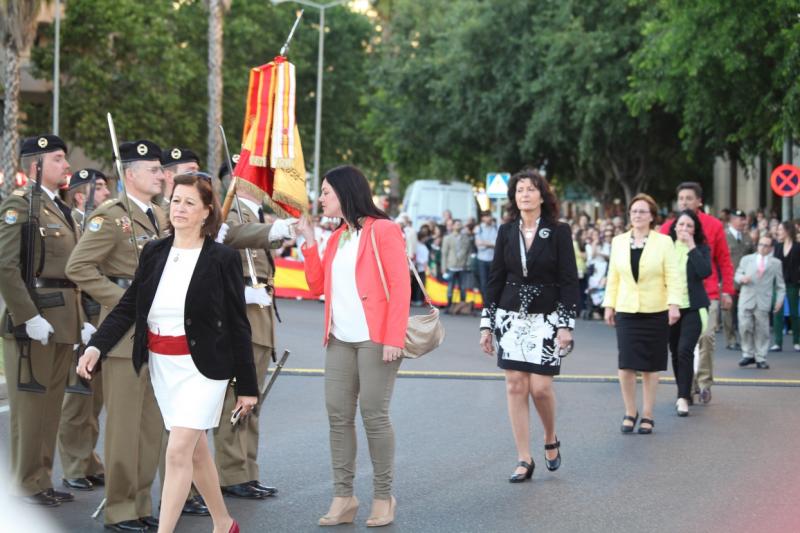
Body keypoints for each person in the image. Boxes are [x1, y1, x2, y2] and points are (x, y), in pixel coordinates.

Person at [77, 173, 257, 533]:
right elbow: (130, 306)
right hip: (163, 365)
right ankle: (223, 523)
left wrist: (248, 387)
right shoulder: (155, 251)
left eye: (190, 202)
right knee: (193, 451)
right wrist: (96, 344)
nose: (179, 208)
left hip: (204, 370)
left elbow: (239, 324)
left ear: (207, 212)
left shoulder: (221, 259)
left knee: (176, 453)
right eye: (176, 200)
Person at [66, 140, 182, 531]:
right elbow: (79, 267)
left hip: (160, 332)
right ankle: (119, 509)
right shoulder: (110, 216)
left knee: (151, 427)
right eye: (153, 169)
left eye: (161, 169)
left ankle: (140, 504)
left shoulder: (162, 216)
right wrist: (124, 302)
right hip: (125, 336)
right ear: (130, 174)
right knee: (124, 428)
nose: (161, 175)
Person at [297, 165, 410, 528]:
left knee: (374, 417)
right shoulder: (336, 238)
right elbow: (316, 286)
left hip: (376, 338)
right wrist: (310, 242)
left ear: (346, 193)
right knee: (337, 417)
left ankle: (383, 496)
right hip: (340, 338)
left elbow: (400, 286)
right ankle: (343, 497)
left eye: (327, 192)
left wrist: (394, 337)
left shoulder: (384, 230)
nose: (321, 199)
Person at [0, 135, 92, 507]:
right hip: (35, 321)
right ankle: (26, 483)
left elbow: (72, 274)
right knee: (31, 407)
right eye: (57, 158)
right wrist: (29, 316)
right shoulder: (20, 205)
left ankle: (41, 479)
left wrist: (82, 318)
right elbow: (6, 266)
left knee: (51, 406)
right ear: (35, 165)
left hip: (63, 319)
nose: (66, 165)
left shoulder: (61, 208)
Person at [478, 169, 578, 482]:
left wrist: (565, 325)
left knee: (541, 387)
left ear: (542, 195)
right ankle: (524, 457)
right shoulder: (506, 231)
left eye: (531, 189)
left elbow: (568, 280)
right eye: (520, 189)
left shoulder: (558, 231)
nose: (525, 194)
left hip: (548, 318)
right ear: (514, 197)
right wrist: (487, 324)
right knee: (515, 385)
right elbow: (495, 278)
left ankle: (550, 436)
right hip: (511, 317)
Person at [605, 193, 683, 434]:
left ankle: (648, 414)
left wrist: (674, 304)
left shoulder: (664, 242)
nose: (637, 215)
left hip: (655, 310)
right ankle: (630, 411)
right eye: (634, 211)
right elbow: (613, 277)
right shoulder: (618, 241)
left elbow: (673, 275)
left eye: (642, 211)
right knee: (626, 365)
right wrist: (609, 304)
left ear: (652, 217)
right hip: (627, 309)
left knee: (651, 366)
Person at [58, 168, 111, 492]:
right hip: (82, 319)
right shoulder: (75, 224)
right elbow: (74, 276)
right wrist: (83, 321)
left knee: (95, 399)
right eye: (100, 188)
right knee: (78, 399)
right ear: (82, 194)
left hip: (100, 320)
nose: (106, 193)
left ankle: (89, 460)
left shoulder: (99, 223)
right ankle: (74, 465)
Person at [659, 182, 734, 405]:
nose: (684, 202)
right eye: (681, 198)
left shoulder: (713, 225)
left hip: (706, 293)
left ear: (699, 201)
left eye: (689, 198)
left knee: (706, 337)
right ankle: (686, 387)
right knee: (679, 348)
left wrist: (728, 291)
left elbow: (724, 261)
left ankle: (704, 383)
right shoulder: (668, 227)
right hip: (674, 298)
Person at [668, 210, 712, 417]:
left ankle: (682, 397)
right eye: (681, 225)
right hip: (670, 307)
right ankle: (683, 391)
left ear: (695, 230)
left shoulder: (701, 248)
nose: (684, 229)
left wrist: (691, 246)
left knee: (685, 350)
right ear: (674, 227)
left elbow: (705, 272)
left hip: (694, 307)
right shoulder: (665, 247)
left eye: (689, 226)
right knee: (675, 352)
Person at [737, 237, 785, 369]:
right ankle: (748, 354)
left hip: (763, 300)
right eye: (760, 244)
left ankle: (761, 357)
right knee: (744, 326)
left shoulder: (776, 263)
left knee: (762, 330)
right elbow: (737, 274)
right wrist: (742, 278)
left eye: (766, 245)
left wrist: (779, 301)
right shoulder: (746, 259)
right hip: (746, 298)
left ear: (770, 248)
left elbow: (780, 285)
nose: (762, 247)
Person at [723, 209, 755, 350]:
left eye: (744, 219)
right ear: (732, 220)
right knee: (728, 311)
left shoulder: (747, 237)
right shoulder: (724, 236)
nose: (744, 222)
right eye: (741, 219)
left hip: (744, 280)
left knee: (744, 311)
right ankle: (731, 339)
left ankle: (745, 339)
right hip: (728, 279)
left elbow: (753, 257)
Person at [770, 221, 800, 352]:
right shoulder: (777, 246)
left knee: (794, 312)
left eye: (781, 229)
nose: (778, 232)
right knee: (777, 312)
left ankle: (797, 341)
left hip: (793, 283)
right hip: (778, 283)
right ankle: (777, 342)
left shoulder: (798, 247)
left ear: (788, 231)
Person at [441, 219, 472, 311]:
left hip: (462, 266)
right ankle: (449, 305)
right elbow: (444, 254)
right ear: (453, 226)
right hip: (451, 266)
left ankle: (462, 305)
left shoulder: (466, 238)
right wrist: (443, 267)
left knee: (463, 287)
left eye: (460, 224)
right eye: (457, 224)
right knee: (450, 286)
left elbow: (469, 252)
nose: (459, 225)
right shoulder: (447, 238)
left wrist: (468, 263)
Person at [474, 212, 498, 305]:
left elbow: (498, 243)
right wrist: (491, 243)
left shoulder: (497, 227)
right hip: (482, 259)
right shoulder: (478, 228)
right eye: (486, 216)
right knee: (483, 283)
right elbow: (479, 244)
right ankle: (486, 304)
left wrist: (485, 243)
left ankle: (493, 303)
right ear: (483, 218)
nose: (488, 218)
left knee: (493, 282)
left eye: (489, 216)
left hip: (493, 259)